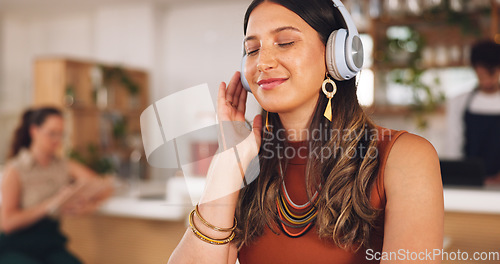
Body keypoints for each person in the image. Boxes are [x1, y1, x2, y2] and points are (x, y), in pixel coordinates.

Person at [168, 0, 443, 263]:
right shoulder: (247, 164)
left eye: (285, 42)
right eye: (252, 50)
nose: (262, 62)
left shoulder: (405, 157)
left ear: (337, 54)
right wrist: (227, 165)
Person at [0, 107, 113, 264]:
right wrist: (51, 204)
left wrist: (89, 207)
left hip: (49, 243)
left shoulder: (63, 166)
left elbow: (103, 186)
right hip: (16, 246)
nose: (57, 140)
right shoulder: (15, 170)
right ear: (34, 131)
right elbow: (8, 223)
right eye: (52, 133)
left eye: (61, 134)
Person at [446, 40, 500, 185]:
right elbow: (454, 143)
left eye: (491, 75)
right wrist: (457, 175)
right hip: (469, 181)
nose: (487, 81)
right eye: (482, 76)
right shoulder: (459, 101)